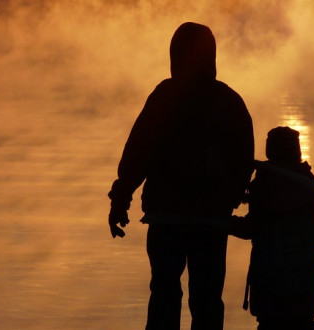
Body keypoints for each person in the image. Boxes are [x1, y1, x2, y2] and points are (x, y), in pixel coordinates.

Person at [107, 22, 254, 330]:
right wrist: (231, 199)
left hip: (166, 219)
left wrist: (121, 198)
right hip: (211, 222)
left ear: (175, 56)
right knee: (207, 301)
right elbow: (244, 161)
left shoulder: (164, 96)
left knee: (164, 294)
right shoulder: (230, 102)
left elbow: (138, 152)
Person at [234, 126, 314, 330]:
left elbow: (251, 228)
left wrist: (221, 223)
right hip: (302, 294)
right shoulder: (306, 184)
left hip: (268, 292)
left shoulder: (263, 183)